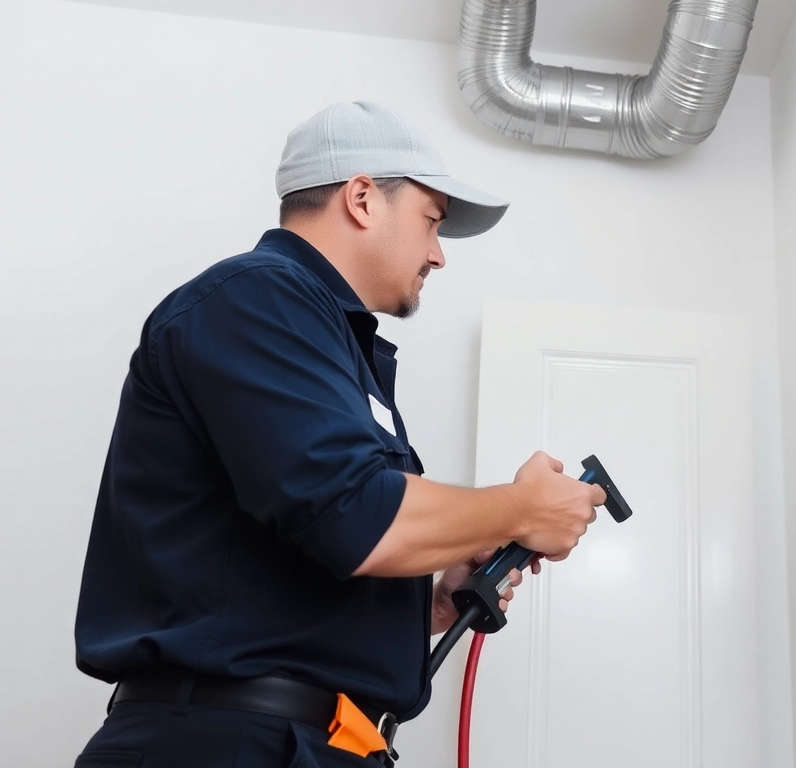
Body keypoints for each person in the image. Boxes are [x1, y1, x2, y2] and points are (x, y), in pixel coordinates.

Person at [71, 101, 605, 767]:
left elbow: (310, 539)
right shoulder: (255, 301)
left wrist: (429, 603)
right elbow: (353, 514)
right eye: (431, 222)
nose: (439, 255)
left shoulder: (326, 344)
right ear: (360, 198)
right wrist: (522, 507)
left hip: (317, 743)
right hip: (232, 744)